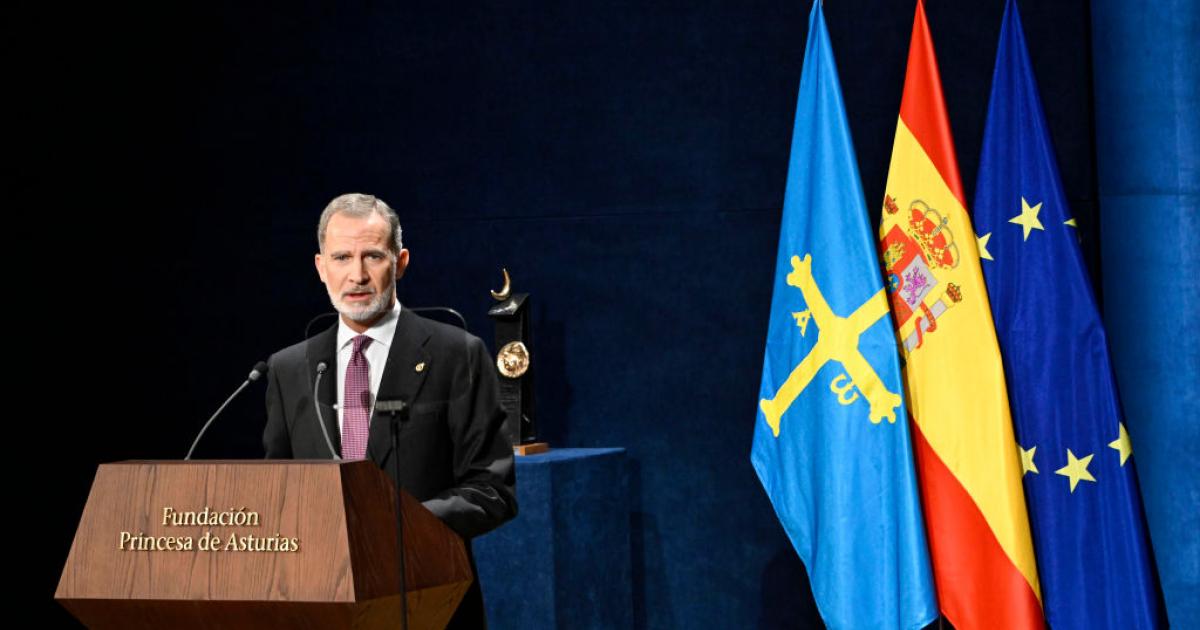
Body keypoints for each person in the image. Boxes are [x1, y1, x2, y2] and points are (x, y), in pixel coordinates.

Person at [263, 192, 516, 628]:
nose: (357, 275)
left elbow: (492, 491)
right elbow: (279, 492)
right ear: (322, 268)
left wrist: (392, 527)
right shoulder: (290, 369)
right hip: (322, 605)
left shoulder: (458, 354)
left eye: (372, 256)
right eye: (342, 257)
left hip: (429, 599)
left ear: (400, 262)